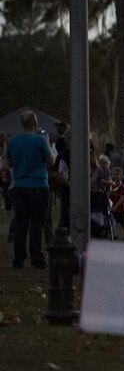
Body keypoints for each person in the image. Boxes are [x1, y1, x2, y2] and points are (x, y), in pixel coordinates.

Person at [7, 110, 54, 269]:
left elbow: (9, 163)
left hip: (19, 186)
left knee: (21, 224)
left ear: (21, 123)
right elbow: (51, 161)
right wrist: (47, 142)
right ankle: (37, 258)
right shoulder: (40, 140)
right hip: (39, 186)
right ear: (35, 123)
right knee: (37, 225)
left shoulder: (12, 141)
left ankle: (18, 259)